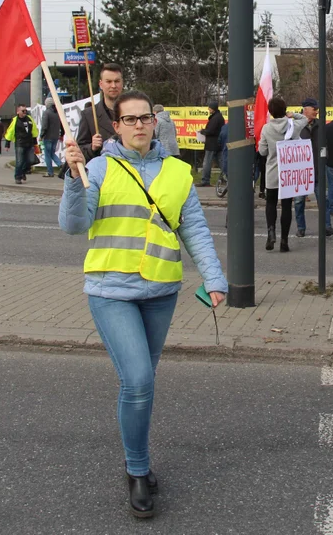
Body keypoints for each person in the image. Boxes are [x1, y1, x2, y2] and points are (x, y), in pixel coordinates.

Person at [58, 91, 226, 519]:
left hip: (160, 292)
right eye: (129, 120)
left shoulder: (177, 171)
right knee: (136, 380)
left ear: (155, 122)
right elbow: (73, 226)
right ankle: (137, 471)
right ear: (116, 127)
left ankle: (140, 458)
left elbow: (196, 230)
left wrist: (215, 277)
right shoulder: (98, 167)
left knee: (144, 383)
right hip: (110, 290)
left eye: (144, 118)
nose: (138, 125)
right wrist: (71, 178)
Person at [258, 96, 308, 252]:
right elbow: (305, 118)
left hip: (272, 171)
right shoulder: (293, 126)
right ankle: (284, 240)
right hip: (288, 173)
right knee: (286, 206)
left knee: (271, 203)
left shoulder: (266, 128)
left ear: (271, 112)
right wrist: (293, 115)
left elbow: (262, 151)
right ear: (284, 110)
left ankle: (271, 231)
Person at [293, 98, 333, 237]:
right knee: (299, 202)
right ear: (306, 110)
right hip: (301, 172)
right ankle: (301, 228)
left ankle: (326, 226)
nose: (317, 111)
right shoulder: (295, 126)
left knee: (323, 199)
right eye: (314, 109)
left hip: (317, 169)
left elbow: (325, 144)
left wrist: (326, 157)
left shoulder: (320, 125)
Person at [76, 62, 123, 163]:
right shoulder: (89, 115)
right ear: (101, 84)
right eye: (109, 81)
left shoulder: (134, 112)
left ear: (122, 83)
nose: (113, 85)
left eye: (117, 81)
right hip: (102, 174)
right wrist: (91, 147)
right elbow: (79, 150)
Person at [5, 104, 39, 184]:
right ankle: (18, 177)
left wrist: (35, 144)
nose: (24, 112)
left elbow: (34, 131)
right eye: (23, 111)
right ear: (18, 112)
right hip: (20, 143)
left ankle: (23, 171)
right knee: (19, 161)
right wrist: (7, 144)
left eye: (25, 111)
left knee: (30, 160)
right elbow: (10, 132)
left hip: (29, 143)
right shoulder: (15, 120)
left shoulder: (29, 119)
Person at [197, 100, 225, 187]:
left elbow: (211, 131)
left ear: (213, 109)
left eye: (209, 108)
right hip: (217, 144)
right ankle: (227, 177)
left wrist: (203, 131)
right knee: (221, 162)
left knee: (207, 162)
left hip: (212, 144)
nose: (208, 109)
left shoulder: (215, 118)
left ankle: (205, 180)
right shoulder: (219, 117)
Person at [39, 97, 62, 177]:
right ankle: (60, 165)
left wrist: (41, 135)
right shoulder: (57, 113)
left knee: (47, 155)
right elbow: (61, 125)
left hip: (48, 136)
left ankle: (50, 172)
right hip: (55, 136)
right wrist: (61, 134)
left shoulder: (46, 113)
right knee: (52, 153)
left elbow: (44, 126)